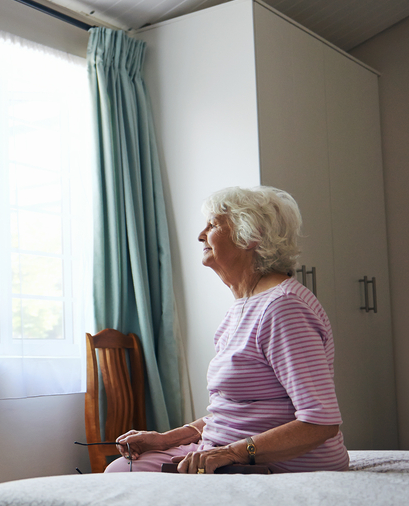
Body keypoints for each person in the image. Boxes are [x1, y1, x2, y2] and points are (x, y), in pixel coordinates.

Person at [106, 186, 348, 474]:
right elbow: (233, 411)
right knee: (122, 468)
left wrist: (232, 453)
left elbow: (321, 422)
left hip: (278, 463)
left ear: (250, 236)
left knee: (122, 476)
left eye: (213, 225)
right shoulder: (242, 308)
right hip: (222, 451)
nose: (200, 235)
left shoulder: (284, 307)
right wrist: (164, 439)